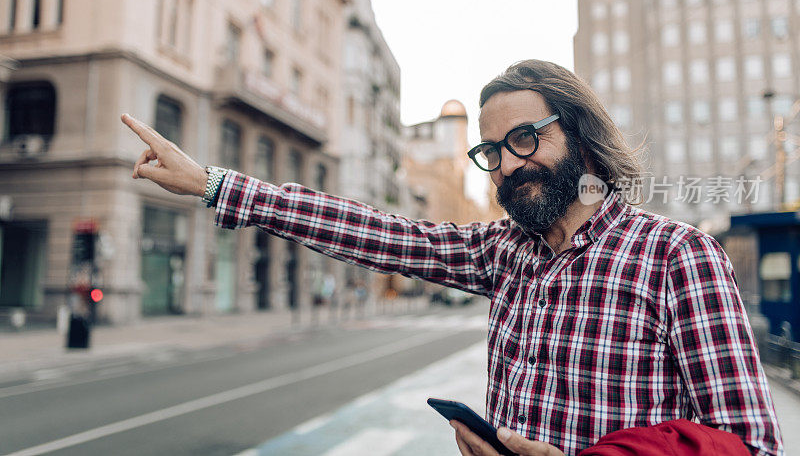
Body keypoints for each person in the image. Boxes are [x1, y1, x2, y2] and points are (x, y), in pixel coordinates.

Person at [121, 59, 783, 456]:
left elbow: (749, 441)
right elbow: (373, 232)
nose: (507, 165)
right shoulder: (503, 252)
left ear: (580, 137)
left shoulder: (676, 256)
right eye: (492, 151)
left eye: (525, 139)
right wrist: (214, 184)